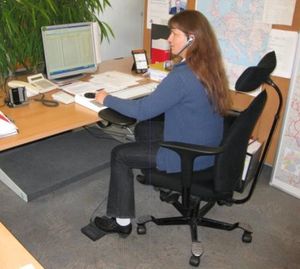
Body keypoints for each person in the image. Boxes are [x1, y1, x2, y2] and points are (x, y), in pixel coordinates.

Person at [93, 10, 231, 236]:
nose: (168, 39)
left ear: (191, 39)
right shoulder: (208, 66)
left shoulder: (182, 76)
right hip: (208, 146)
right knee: (144, 129)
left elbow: (142, 110)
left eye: (174, 34)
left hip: (188, 154)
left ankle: (121, 222)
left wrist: (105, 98)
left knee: (120, 154)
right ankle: (166, 182)